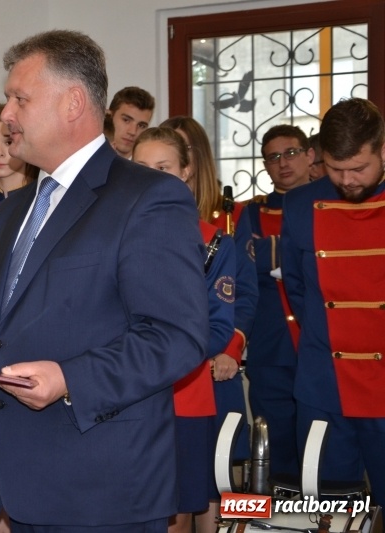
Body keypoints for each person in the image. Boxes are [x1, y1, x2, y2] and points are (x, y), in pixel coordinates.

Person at [0, 30, 209, 532]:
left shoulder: (148, 198)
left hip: (104, 489)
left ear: (73, 103)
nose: (7, 113)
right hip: (20, 485)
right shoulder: (11, 209)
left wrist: (69, 379)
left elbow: (177, 336)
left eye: (20, 98)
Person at [281, 97, 385, 503]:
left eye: (359, 168)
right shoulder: (300, 204)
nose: (349, 180)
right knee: (331, 508)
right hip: (325, 384)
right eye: (337, 170)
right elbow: (297, 288)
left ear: (381, 150)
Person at [132, 127, 235, 533]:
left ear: (187, 171)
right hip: (129, 394)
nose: (153, 177)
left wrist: (153, 354)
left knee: (178, 513)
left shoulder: (213, 242)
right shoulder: (116, 234)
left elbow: (219, 325)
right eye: (142, 168)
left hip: (185, 393)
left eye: (164, 168)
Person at [160, 115, 257, 533]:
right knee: (176, 498)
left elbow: (240, 302)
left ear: (190, 165)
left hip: (209, 371)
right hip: (162, 382)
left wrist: (230, 348)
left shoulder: (219, 232)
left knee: (216, 486)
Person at [244, 124, 313, 479]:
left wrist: (273, 252)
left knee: (327, 450)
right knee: (278, 449)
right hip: (271, 348)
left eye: (290, 153)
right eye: (273, 157)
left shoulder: (330, 204)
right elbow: (243, 268)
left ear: (309, 155)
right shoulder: (251, 213)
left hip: (322, 345)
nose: (283, 163)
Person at [108, 86, 155, 158]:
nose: (132, 132)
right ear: (109, 116)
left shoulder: (150, 167)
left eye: (141, 126)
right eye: (126, 120)